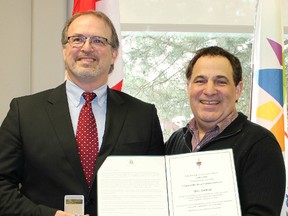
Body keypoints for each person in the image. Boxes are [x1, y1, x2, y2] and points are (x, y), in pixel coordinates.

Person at [0, 11, 164, 216]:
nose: (87, 48)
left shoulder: (143, 116)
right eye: (77, 39)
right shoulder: (24, 113)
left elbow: (157, 191)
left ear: (114, 53)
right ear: (64, 49)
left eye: (98, 40)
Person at [165, 46, 286, 215]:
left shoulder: (260, 144)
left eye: (220, 81)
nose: (209, 91)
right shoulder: (175, 140)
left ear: (238, 90)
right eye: (200, 81)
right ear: (188, 87)